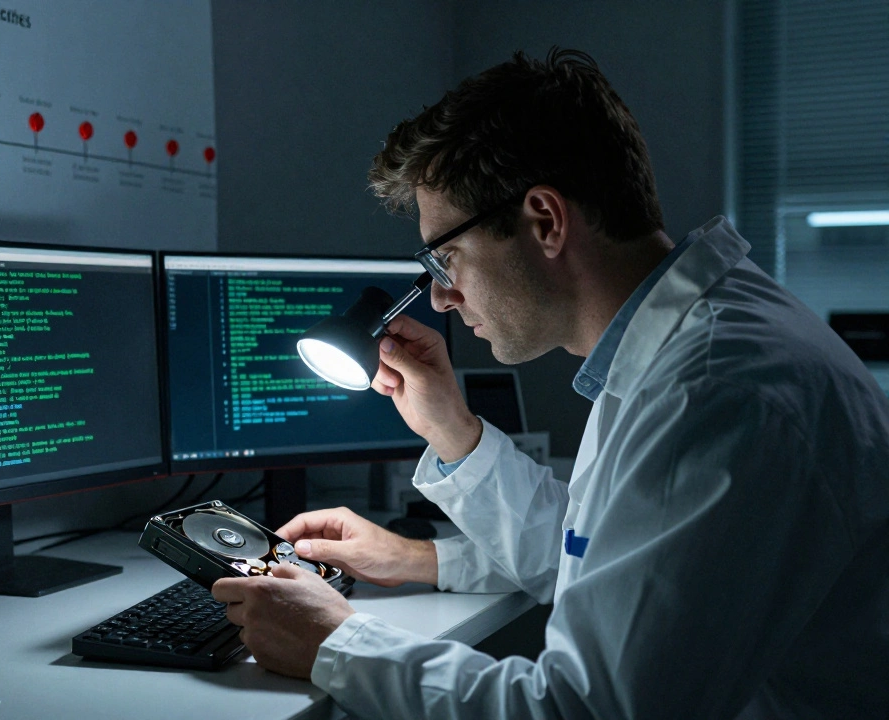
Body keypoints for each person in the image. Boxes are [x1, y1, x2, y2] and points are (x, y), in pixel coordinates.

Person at [211, 48, 889, 718]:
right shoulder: (685, 345)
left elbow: (585, 711)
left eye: (446, 258)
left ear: (544, 220)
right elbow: (603, 555)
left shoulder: (714, 390)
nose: (442, 299)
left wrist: (335, 642)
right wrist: (434, 506)